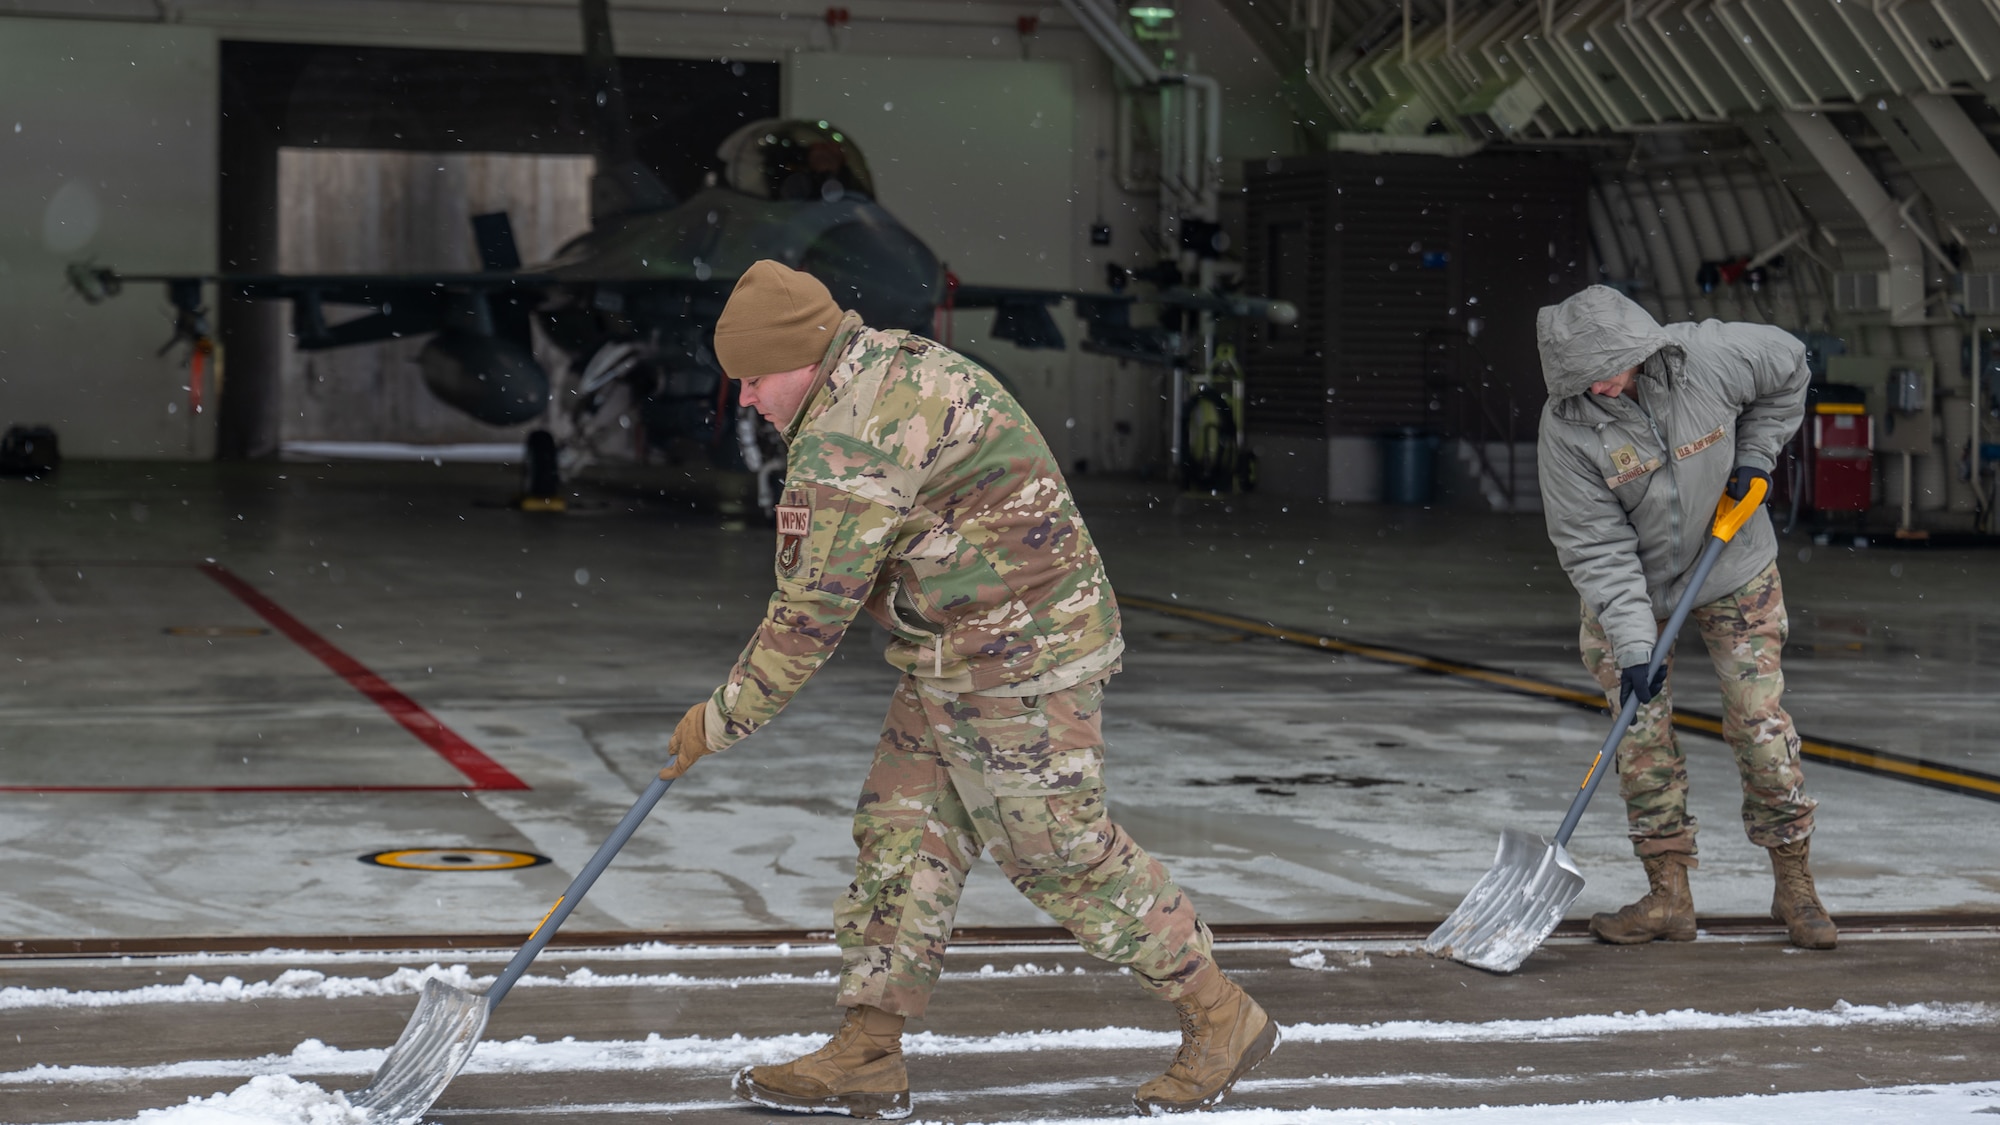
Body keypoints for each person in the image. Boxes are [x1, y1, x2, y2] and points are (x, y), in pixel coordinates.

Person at [661, 259, 1279, 1119]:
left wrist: (720, 720)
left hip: (1024, 650)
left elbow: (810, 614)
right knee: (904, 829)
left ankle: (1220, 1013)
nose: (749, 399)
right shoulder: (877, 365)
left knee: (1054, 848)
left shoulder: (849, 434)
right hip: (956, 644)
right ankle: (869, 1049)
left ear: (803, 354)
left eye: (757, 378)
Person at [1535, 284, 1835, 951]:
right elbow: (1595, 548)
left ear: (1637, 348)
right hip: (1632, 587)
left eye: (1606, 372)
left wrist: (1756, 455)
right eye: (1584, 381)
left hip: (1733, 563)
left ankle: (1795, 884)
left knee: (1758, 724)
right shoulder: (1567, 429)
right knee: (1638, 735)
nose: (1600, 389)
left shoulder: (1709, 358)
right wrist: (1634, 646)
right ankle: (1668, 893)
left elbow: (1790, 366)